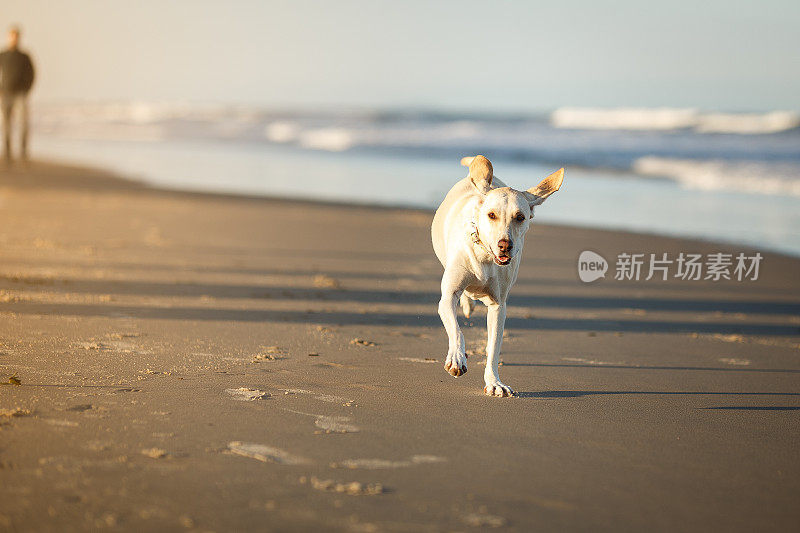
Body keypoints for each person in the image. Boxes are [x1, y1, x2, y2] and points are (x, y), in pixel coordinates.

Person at [0, 26, 35, 163]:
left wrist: (27, 89)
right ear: (9, 37)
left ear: (19, 38)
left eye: (16, 36)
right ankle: (7, 152)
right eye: (12, 36)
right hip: (5, 93)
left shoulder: (24, 57)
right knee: (6, 124)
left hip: (21, 94)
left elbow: (32, 74)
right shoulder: (3, 55)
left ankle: (23, 152)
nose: (14, 39)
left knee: (23, 123)